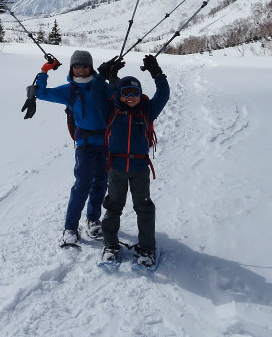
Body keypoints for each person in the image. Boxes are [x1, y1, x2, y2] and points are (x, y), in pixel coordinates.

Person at [34, 50, 123, 246]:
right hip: (85, 146)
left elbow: (119, 99)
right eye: (77, 66)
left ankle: (93, 219)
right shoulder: (70, 90)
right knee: (82, 185)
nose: (81, 69)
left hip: (106, 143)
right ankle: (70, 228)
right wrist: (44, 70)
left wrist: (115, 79)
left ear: (90, 67)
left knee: (100, 183)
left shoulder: (101, 86)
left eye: (84, 65)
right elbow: (41, 93)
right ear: (71, 68)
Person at [100, 54, 170, 268]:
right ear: (119, 95)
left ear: (140, 94)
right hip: (116, 168)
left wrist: (156, 73)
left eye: (135, 92)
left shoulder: (147, 110)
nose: (130, 97)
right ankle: (110, 245)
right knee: (113, 207)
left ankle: (147, 248)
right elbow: (96, 91)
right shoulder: (111, 109)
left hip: (140, 168)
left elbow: (163, 94)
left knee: (144, 208)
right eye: (125, 93)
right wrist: (104, 75)